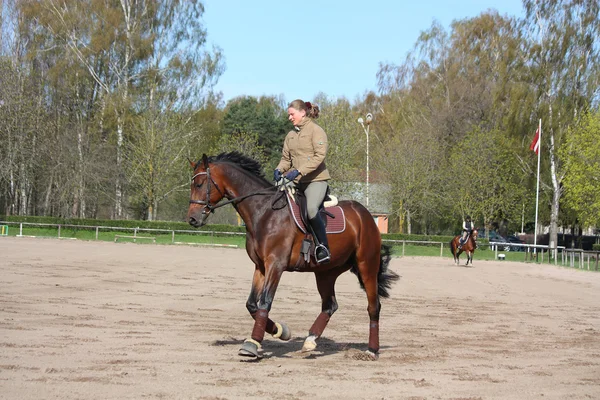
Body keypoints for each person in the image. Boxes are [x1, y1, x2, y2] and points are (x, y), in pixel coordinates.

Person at [274, 99, 331, 264]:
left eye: (291, 114)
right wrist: (279, 169)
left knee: (311, 210)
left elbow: (319, 156)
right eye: (289, 115)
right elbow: (286, 159)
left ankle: (323, 247)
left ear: (302, 113)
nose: (289, 118)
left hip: (316, 180)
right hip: (296, 181)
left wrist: (299, 171)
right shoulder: (290, 136)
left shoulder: (316, 131)